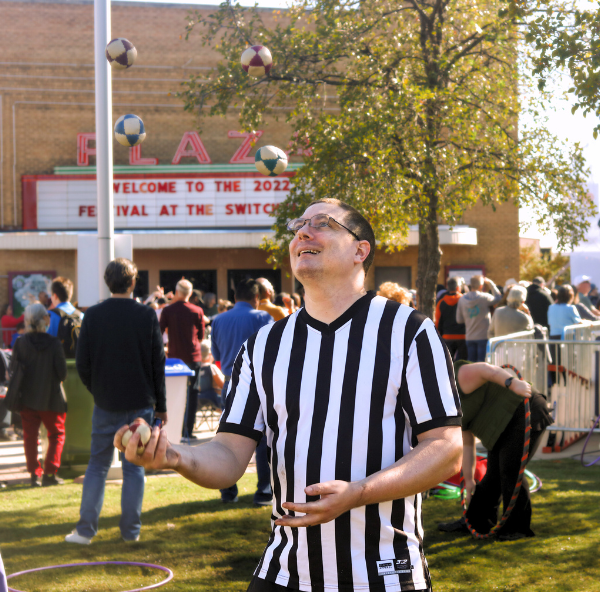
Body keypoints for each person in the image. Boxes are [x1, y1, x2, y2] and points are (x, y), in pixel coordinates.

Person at [116, 198, 463, 592]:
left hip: (382, 573)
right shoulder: (263, 345)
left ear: (360, 251)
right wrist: (175, 455)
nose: (302, 232)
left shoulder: (409, 331)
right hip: (285, 571)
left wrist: (358, 493)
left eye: (323, 223)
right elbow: (229, 456)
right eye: (298, 225)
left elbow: (446, 448)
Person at [66, 258, 166, 545]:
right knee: (134, 467)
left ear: (108, 282)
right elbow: (157, 362)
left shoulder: (93, 315)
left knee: (97, 465)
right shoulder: (146, 315)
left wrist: (97, 389)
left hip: (106, 401)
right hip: (140, 402)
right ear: (133, 282)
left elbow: (82, 363)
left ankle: (86, 531)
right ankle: (130, 533)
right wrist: (161, 406)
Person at [438, 360, 553, 540]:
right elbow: (467, 443)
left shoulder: (459, 377)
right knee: (494, 475)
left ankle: (517, 528)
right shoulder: (447, 406)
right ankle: (476, 521)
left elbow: (486, 370)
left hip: (523, 408)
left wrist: (512, 383)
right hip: (500, 425)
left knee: (510, 471)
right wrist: (469, 482)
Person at [211, 278, 273, 505]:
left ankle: (228, 492)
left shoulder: (218, 320)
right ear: (257, 298)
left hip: (230, 383)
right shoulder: (262, 317)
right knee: (263, 441)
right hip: (259, 383)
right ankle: (264, 492)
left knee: (227, 439)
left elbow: (216, 357)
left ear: (235, 297)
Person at [11, 302, 67, 487]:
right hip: (51, 397)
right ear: (45, 319)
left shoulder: (20, 342)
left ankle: (34, 475)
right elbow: (62, 373)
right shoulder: (54, 343)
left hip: (26, 397)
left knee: (30, 436)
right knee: (56, 434)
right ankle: (50, 474)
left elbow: (13, 369)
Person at [159, 279, 205, 439]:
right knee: (192, 393)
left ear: (177, 292)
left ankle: (172, 429)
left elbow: (159, 332)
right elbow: (201, 335)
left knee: (172, 392)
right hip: (193, 356)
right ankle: (188, 430)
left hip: (174, 357)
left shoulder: (168, 310)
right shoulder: (197, 310)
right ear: (190, 293)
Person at [456, 275, 502, 362]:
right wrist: (491, 283)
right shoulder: (484, 297)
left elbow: (459, 320)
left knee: (471, 362)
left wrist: (470, 318)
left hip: (469, 336)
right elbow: (498, 298)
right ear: (481, 286)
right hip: (483, 335)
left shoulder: (462, 299)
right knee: (481, 362)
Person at [435, 277, 467, 360]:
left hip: (447, 336)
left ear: (447, 287)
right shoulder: (464, 300)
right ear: (458, 287)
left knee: (448, 363)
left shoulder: (441, 302)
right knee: (462, 362)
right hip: (463, 336)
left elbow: (437, 321)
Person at [195, 339, 225, 412]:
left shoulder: (196, 368)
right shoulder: (212, 368)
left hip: (197, 399)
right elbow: (223, 385)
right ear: (210, 354)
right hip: (212, 399)